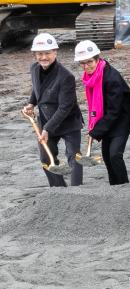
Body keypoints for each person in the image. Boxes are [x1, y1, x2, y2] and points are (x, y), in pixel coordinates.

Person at [23, 33, 83, 187]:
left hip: (68, 122)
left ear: (55, 52)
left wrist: (47, 128)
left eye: (47, 53)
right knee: (46, 159)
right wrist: (31, 103)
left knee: (73, 157)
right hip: (46, 120)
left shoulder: (66, 77)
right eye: (40, 53)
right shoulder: (34, 68)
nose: (44, 57)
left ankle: (78, 192)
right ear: (35, 54)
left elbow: (65, 107)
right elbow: (38, 89)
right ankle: (59, 190)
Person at [75, 40, 130, 186]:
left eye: (89, 62)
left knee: (115, 154)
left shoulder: (111, 77)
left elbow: (114, 111)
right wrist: (96, 128)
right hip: (107, 118)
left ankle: (125, 188)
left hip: (123, 118)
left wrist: (95, 132)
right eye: (82, 63)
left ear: (97, 58)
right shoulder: (92, 77)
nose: (86, 66)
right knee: (107, 156)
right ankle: (114, 186)